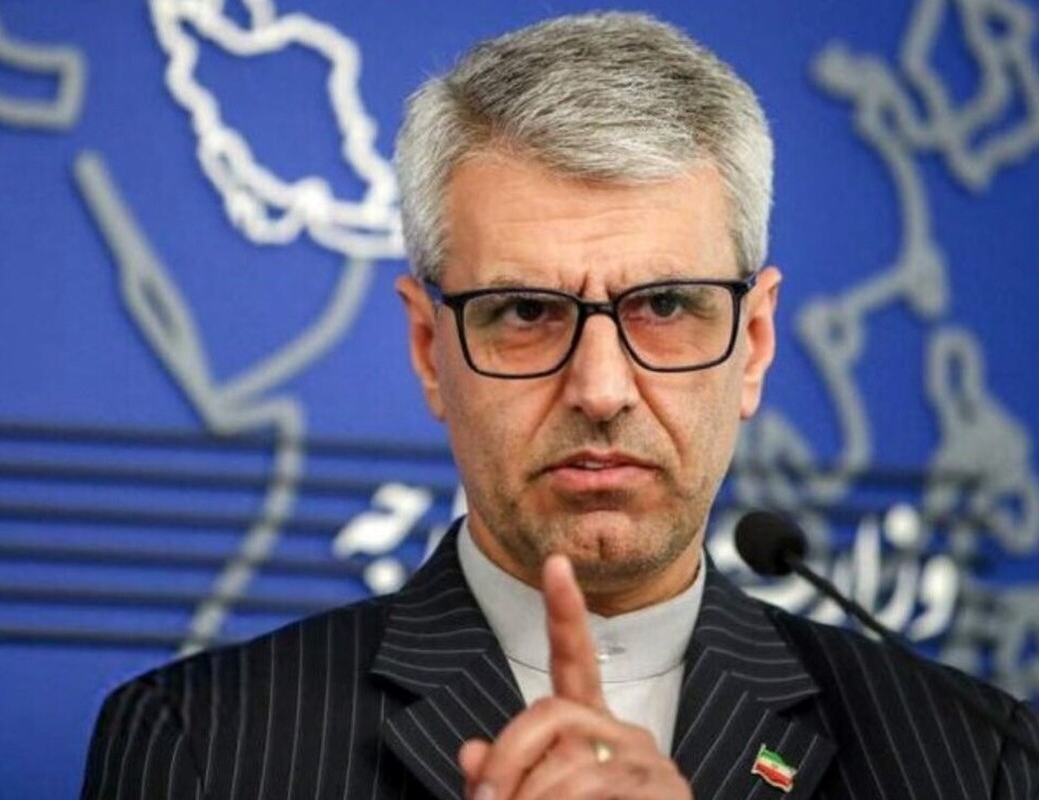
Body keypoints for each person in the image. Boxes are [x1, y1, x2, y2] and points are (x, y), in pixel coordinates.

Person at [80, 11, 1039, 799]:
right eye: (527, 313)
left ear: (753, 344)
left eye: (666, 306)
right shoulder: (202, 747)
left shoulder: (972, 759)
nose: (601, 390)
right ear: (428, 348)